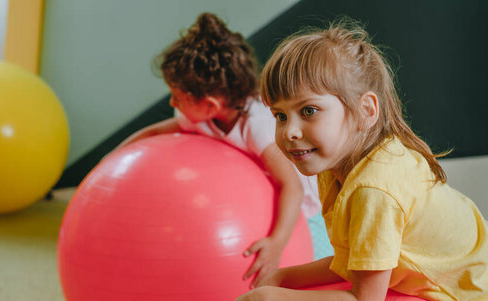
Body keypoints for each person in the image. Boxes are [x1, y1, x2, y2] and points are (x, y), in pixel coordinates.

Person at [220, 20, 488, 301]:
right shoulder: (340, 166)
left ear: (366, 111)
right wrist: (282, 277)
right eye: (279, 115)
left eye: (308, 111)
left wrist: (267, 298)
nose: (290, 131)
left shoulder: (372, 189)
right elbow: (355, 260)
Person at [113, 13, 332, 286]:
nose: (172, 102)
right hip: (261, 201)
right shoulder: (201, 118)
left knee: (317, 277)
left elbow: (293, 187)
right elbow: (153, 132)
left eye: (178, 97)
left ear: (210, 105)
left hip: (308, 209)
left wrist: (277, 243)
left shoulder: (257, 125)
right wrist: (110, 166)